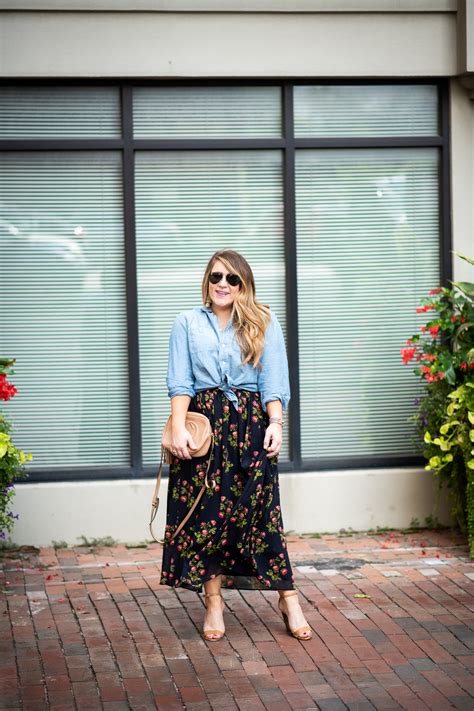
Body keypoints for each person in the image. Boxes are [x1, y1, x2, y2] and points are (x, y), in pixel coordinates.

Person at [160, 249, 312, 642]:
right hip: (205, 429)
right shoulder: (186, 322)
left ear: (243, 284)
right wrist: (179, 428)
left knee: (263, 516)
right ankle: (213, 602)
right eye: (216, 277)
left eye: (232, 279)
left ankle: (289, 597)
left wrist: (276, 422)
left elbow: (273, 380)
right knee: (207, 518)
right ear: (206, 282)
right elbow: (180, 383)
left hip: (250, 428)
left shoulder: (262, 320)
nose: (222, 285)